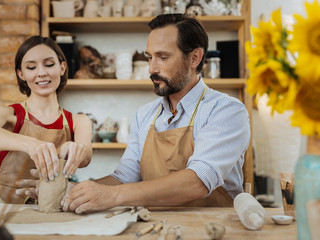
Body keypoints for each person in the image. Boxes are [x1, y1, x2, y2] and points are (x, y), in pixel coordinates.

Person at [59, 13, 250, 213]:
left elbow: (198, 181)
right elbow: (124, 178)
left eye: (163, 57)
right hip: (153, 229)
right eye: (150, 57)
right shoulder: (145, 115)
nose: (151, 69)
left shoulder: (226, 110)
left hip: (212, 231)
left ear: (195, 58)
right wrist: (68, 192)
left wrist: (112, 196)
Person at [0, 36, 93, 204]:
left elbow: (86, 158)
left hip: (55, 210)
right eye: (31, 67)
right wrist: (31, 144)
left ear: (62, 68)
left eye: (49, 64)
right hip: (8, 209)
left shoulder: (78, 121)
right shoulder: (9, 115)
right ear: (21, 74)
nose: (41, 73)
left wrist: (73, 149)